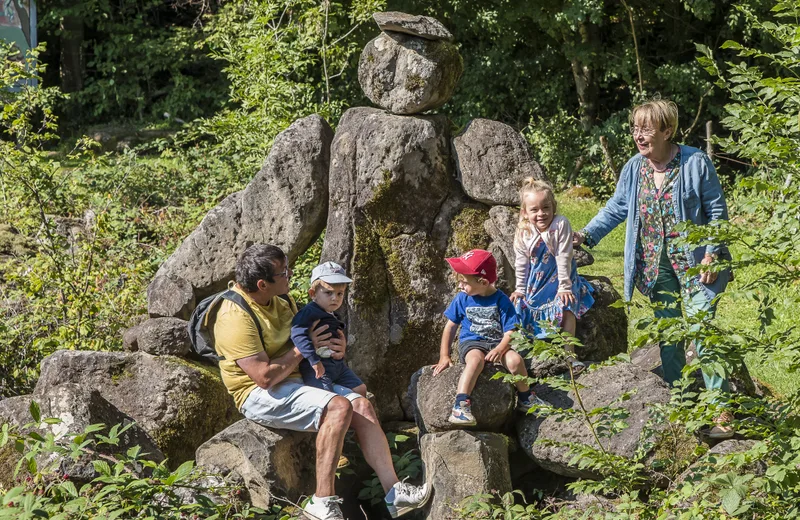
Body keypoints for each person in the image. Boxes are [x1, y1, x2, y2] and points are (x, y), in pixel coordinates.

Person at [211, 244, 430, 520]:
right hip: (256, 393)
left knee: (361, 404)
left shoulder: (281, 299)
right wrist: (305, 349)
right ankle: (322, 501)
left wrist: (333, 349)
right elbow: (264, 377)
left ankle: (394, 492)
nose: (290, 274)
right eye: (284, 273)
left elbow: (311, 335)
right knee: (338, 407)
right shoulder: (234, 316)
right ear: (262, 284)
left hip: (296, 380)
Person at [573, 98, 734, 439]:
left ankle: (723, 414)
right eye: (635, 128)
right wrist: (585, 234)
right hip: (655, 267)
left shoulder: (695, 162)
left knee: (703, 333)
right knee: (669, 336)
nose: (638, 135)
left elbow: (718, 213)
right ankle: (681, 407)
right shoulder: (635, 167)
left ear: (667, 130)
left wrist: (711, 254)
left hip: (697, 267)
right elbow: (617, 207)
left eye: (646, 129)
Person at [433, 249, 546, 426]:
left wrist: (500, 349)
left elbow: (511, 330)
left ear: (483, 282)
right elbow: (450, 327)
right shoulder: (462, 299)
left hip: (497, 343)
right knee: (475, 361)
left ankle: (526, 398)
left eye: (464, 282)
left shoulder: (501, 300)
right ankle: (460, 406)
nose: (460, 286)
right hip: (472, 343)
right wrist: (444, 356)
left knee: (515, 361)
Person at [509, 178, 595, 376]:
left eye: (546, 207)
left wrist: (565, 286)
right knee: (523, 306)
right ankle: (528, 351)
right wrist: (520, 288)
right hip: (537, 280)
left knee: (566, 306)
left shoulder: (560, 224)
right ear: (524, 212)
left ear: (553, 207)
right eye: (534, 210)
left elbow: (564, 255)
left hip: (560, 276)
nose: (541, 214)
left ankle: (569, 355)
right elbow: (521, 261)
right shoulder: (523, 230)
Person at [291, 261, 366, 396]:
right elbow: (297, 335)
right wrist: (314, 360)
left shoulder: (330, 313)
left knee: (360, 389)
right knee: (327, 398)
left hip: (337, 365)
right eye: (328, 293)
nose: (335, 298)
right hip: (317, 365)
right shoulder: (308, 312)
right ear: (313, 294)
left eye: (339, 294)